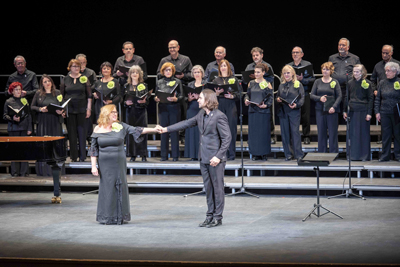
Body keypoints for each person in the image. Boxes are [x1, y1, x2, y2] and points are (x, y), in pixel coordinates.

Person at [156, 89, 231, 228]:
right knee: (208, 188)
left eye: (200, 98)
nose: (198, 100)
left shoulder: (219, 116)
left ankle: (218, 217)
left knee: (218, 188)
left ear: (208, 100)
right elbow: (186, 123)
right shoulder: (201, 114)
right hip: (203, 157)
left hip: (215, 158)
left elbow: (227, 138)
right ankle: (209, 216)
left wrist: (218, 157)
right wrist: (166, 129)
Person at [90, 104, 158, 225]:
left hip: (118, 162)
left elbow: (138, 130)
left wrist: (154, 129)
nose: (116, 114)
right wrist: (93, 166)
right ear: (106, 114)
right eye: (113, 112)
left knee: (118, 186)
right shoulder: (98, 128)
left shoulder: (121, 126)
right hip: (104, 164)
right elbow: (93, 149)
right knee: (107, 188)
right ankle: (106, 216)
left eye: (116, 112)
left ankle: (119, 216)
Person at [31, 74, 65, 175]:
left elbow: (63, 106)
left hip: (55, 121)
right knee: (44, 145)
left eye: (48, 81)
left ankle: (57, 171)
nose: (47, 83)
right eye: (45, 82)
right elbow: (32, 107)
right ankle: (44, 171)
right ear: (42, 84)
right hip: (43, 122)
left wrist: (62, 112)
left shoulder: (57, 93)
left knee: (56, 145)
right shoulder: (38, 94)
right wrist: (40, 109)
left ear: (51, 82)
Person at [60, 59, 92, 162]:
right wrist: (63, 109)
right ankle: (74, 156)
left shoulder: (84, 78)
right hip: (70, 109)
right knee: (72, 133)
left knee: (82, 132)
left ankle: (83, 156)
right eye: (74, 66)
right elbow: (61, 96)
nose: (76, 68)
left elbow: (89, 95)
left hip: (82, 108)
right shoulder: (65, 79)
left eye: (78, 66)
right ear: (70, 68)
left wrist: (89, 109)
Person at [211, 59, 241, 160]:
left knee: (231, 129)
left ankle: (231, 153)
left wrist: (233, 97)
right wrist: (217, 94)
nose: (223, 67)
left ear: (228, 67)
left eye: (225, 65)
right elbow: (211, 96)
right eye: (221, 66)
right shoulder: (216, 80)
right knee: (219, 130)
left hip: (230, 105)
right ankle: (221, 154)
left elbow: (239, 94)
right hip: (219, 105)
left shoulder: (234, 79)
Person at [343, 64, 373, 161]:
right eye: (354, 71)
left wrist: (369, 113)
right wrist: (344, 111)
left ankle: (364, 156)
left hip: (363, 111)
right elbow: (346, 97)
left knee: (363, 134)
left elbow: (370, 99)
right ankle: (352, 156)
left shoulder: (367, 83)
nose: (355, 73)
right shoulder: (350, 83)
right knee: (353, 134)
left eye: (357, 71)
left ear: (362, 72)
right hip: (352, 111)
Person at [154, 62, 184, 161]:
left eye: (170, 70)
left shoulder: (177, 81)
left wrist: (176, 99)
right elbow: (157, 94)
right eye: (166, 70)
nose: (168, 72)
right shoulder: (159, 82)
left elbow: (181, 96)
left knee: (174, 131)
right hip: (163, 108)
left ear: (173, 71)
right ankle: (164, 155)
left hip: (174, 108)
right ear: (163, 71)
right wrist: (156, 99)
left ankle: (175, 156)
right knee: (163, 131)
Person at [310, 62, 342, 154]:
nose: (325, 71)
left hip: (332, 110)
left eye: (327, 69)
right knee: (321, 132)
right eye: (323, 69)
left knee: (333, 133)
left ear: (331, 71)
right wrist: (319, 98)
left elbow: (339, 96)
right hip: (320, 110)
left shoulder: (335, 82)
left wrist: (334, 107)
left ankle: (333, 153)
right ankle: (322, 153)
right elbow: (312, 95)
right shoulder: (317, 82)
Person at [244, 63, 273, 160]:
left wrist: (266, 105)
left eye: (258, 72)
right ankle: (255, 153)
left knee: (263, 133)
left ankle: (264, 153)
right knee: (254, 133)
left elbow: (271, 97)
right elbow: (247, 94)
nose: (256, 74)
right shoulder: (251, 83)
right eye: (255, 72)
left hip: (263, 112)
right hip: (253, 111)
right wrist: (246, 100)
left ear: (263, 73)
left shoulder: (267, 84)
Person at [3, 82, 32, 177]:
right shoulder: (8, 101)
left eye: (19, 89)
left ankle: (24, 172)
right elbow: (5, 115)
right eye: (16, 89)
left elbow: (28, 115)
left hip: (23, 127)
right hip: (13, 128)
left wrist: (29, 128)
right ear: (12, 91)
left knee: (24, 150)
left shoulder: (24, 100)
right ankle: (15, 172)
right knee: (14, 151)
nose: (18, 91)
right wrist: (12, 118)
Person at [328, 38, 361, 123]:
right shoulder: (332, 58)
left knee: (347, 111)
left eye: (343, 45)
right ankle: (334, 134)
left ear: (348, 47)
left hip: (348, 89)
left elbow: (360, 73)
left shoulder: (355, 58)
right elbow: (328, 71)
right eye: (339, 45)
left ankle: (349, 135)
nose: (341, 47)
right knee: (334, 112)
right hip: (334, 89)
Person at [276, 65, 305, 161]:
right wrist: (278, 99)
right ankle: (288, 154)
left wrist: (296, 105)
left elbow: (302, 98)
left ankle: (298, 154)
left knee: (295, 132)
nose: (286, 75)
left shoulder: (297, 84)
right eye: (284, 73)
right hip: (283, 111)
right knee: (285, 133)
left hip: (294, 111)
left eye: (288, 73)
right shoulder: (281, 85)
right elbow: (278, 96)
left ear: (292, 73)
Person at [287, 46, 315, 144]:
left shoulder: (307, 65)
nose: (295, 54)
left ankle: (306, 136)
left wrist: (302, 79)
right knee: (293, 116)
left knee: (305, 116)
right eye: (293, 52)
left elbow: (312, 80)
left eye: (297, 52)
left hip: (305, 93)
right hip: (292, 94)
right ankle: (293, 136)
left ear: (302, 54)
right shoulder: (289, 66)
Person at [123, 65, 150, 162]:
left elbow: (147, 101)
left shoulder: (144, 85)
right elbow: (123, 100)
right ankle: (132, 154)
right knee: (131, 133)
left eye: (136, 72)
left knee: (142, 132)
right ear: (130, 74)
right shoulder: (126, 86)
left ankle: (143, 154)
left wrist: (144, 102)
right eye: (133, 72)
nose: (135, 74)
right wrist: (126, 103)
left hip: (141, 112)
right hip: (130, 112)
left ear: (140, 75)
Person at [374, 62, 400, 162]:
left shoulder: (399, 82)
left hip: (397, 112)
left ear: (395, 71)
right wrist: (377, 112)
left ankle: (398, 155)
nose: (386, 73)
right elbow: (378, 99)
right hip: (384, 111)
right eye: (385, 70)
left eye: (388, 71)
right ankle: (385, 155)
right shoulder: (382, 82)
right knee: (386, 135)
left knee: (398, 134)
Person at [184, 65, 206, 161]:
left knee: (202, 131)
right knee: (192, 131)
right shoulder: (190, 85)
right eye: (195, 72)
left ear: (202, 73)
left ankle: (203, 154)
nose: (197, 74)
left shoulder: (205, 84)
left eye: (198, 72)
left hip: (203, 109)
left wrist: (200, 97)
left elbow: (209, 97)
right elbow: (186, 99)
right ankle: (193, 154)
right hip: (192, 108)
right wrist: (190, 98)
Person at [76, 53, 98, 141]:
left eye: (83, 62)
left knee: (89, 117)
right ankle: (80, 136)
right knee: (79, 117)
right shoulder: (73, 72)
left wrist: (88, 88)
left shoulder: (91, 72)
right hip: (78, 98)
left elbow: (95, 84)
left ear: (86, 62)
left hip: (88, 97)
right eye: (80, 62)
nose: (82, 64)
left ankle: (89, 136)